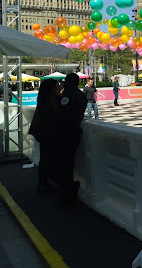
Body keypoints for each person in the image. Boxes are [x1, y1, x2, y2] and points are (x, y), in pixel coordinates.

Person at [54, 73, 87, 205]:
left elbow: (63, 114)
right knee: (68, 163)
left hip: (66, 134)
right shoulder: (80, 95)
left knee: (65, 163)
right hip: (73, 133)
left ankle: (67, 192)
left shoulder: (68, 95)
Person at [28, 79, 61, 194]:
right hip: (46, 134)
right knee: (47, 158)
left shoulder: (45, 100)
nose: (59, 88)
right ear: (51, 89)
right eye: (57, 86)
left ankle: (44, 182)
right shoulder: (48, 103)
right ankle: (44, 183)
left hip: (43, 133)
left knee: (45, 158)